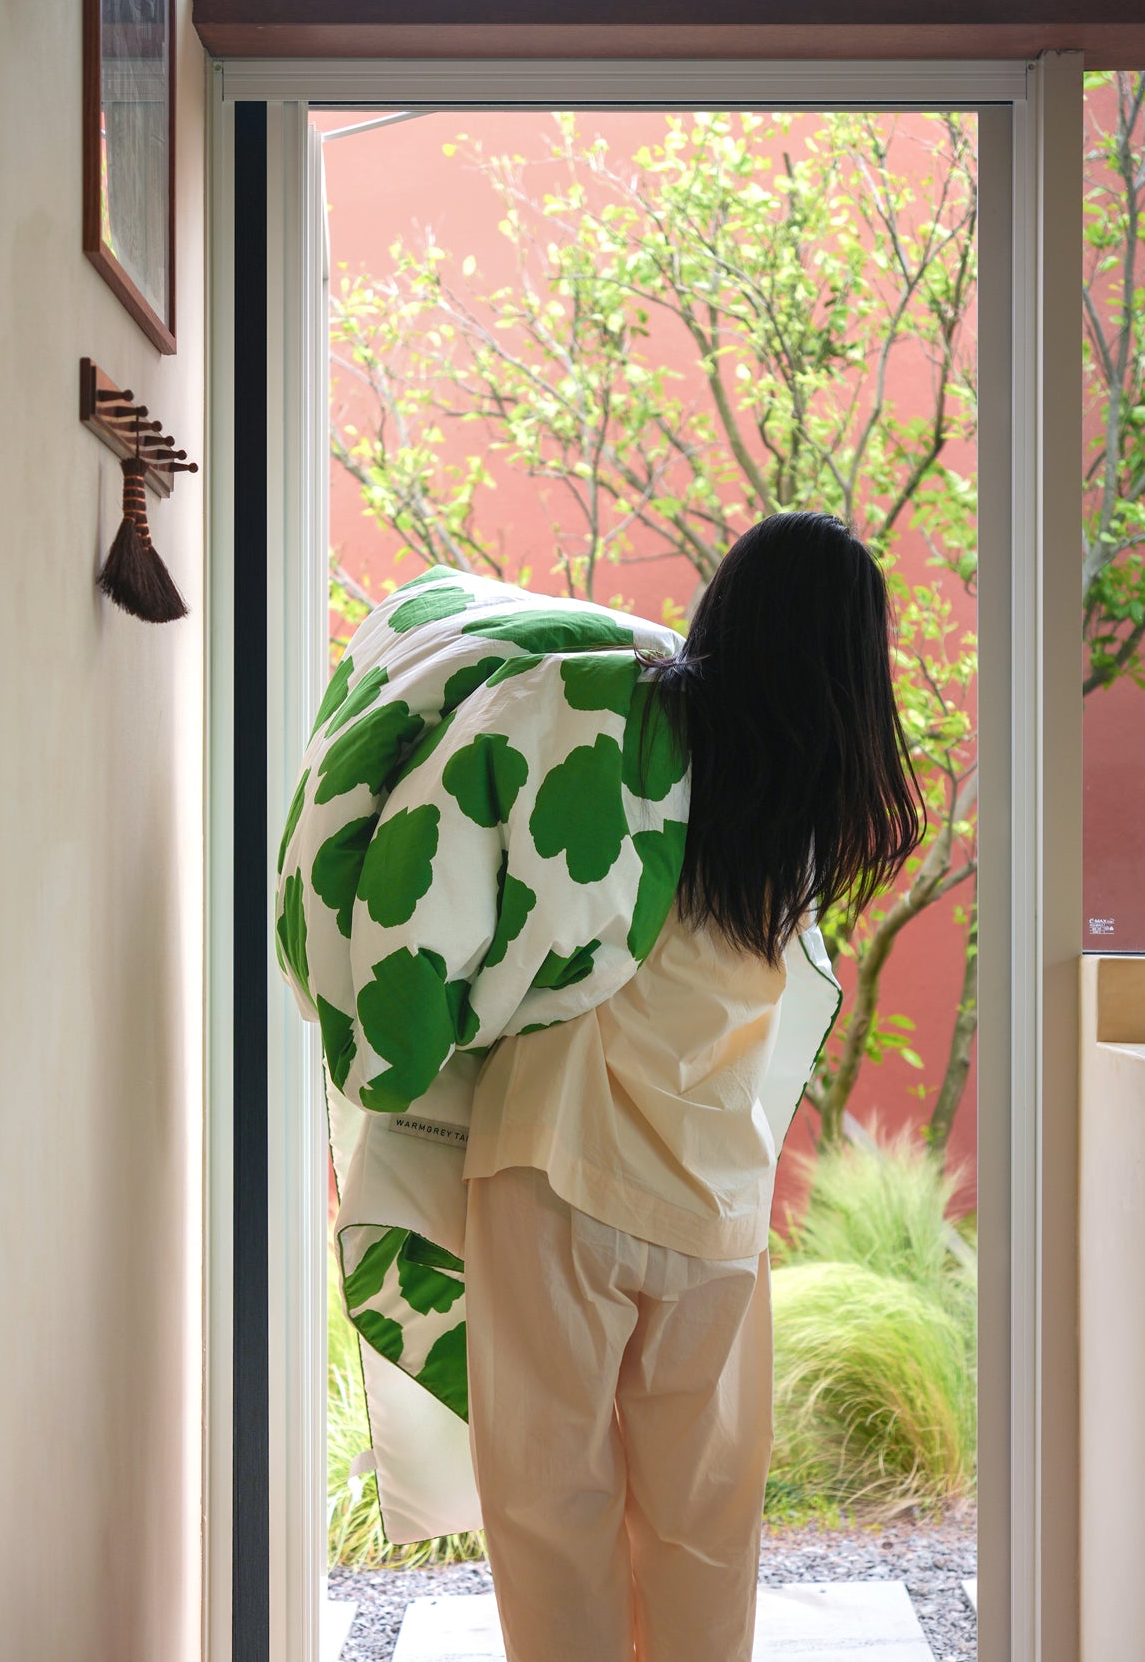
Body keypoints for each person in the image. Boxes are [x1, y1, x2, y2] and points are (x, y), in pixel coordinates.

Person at [456, 510, 924, 1661]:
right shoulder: (815, 803)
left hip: (557, 1157)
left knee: (550, 1510)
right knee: (703, 1524)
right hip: (709, 1192)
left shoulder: (623, 731)